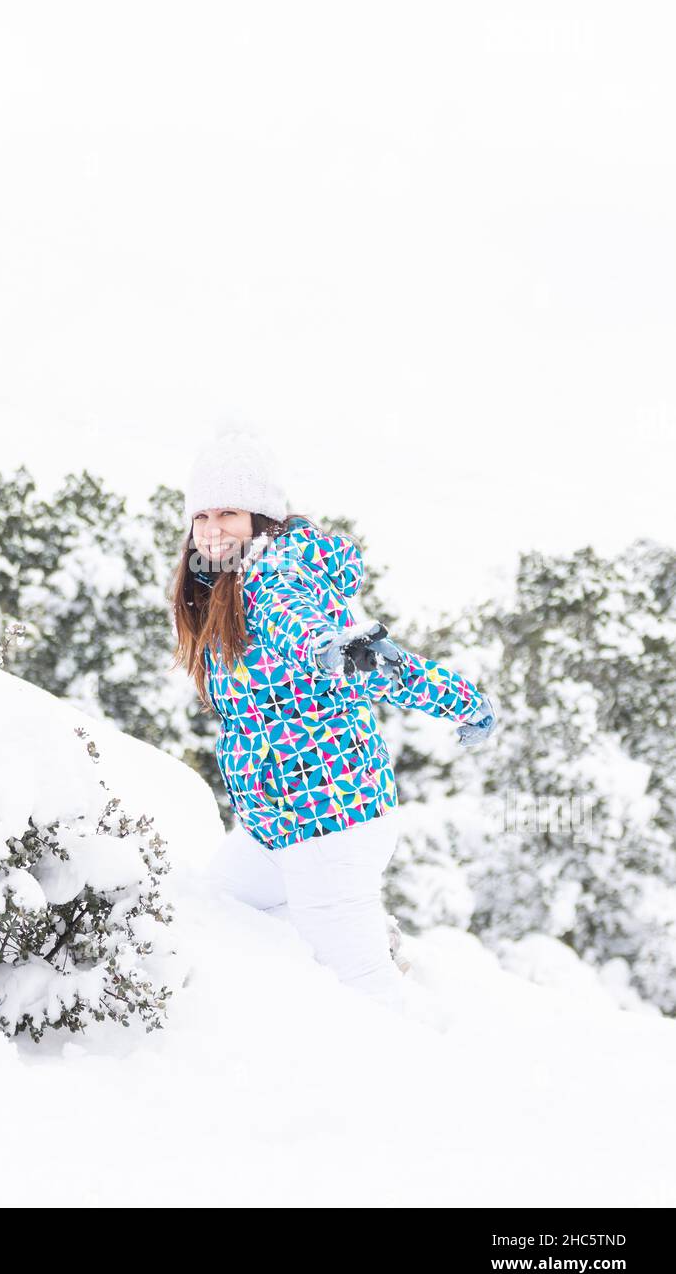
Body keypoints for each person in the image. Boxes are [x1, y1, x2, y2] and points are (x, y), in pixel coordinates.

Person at [169, 421, 497, 1010]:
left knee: (365, 994)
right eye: (203, 516)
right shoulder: (221, 586)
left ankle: (436, 1059)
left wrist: (336, 649)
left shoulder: (269, 581)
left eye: (230, 515)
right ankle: (366, 937)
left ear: (261, 521)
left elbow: (303, 627)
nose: (213, 530)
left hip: (329, 817)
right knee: (216, 910)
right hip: (279, 821)